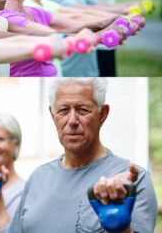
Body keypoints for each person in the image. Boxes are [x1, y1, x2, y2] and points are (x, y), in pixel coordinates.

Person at [9, 78, 158, 233]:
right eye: (63, 110)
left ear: (102, 114)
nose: (72, 121)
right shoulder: (38, 178)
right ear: (53, 115)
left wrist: (121, 229)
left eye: (83, 110)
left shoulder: (132, 182)